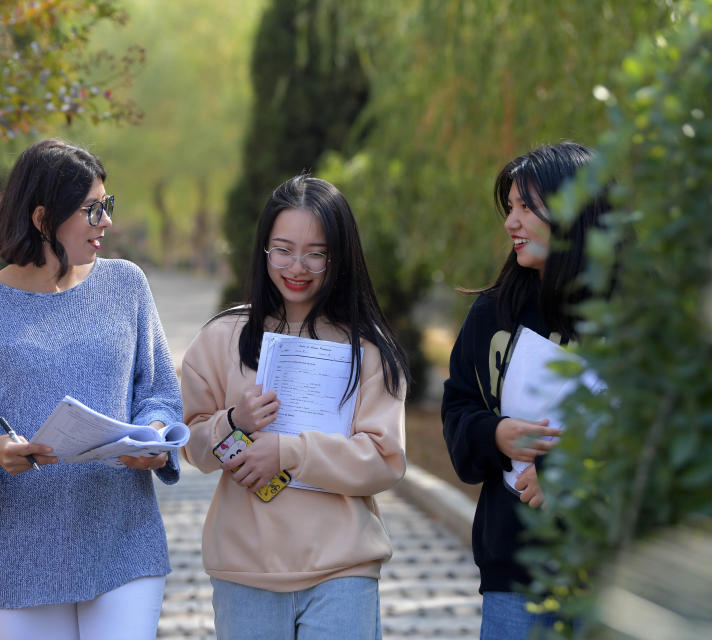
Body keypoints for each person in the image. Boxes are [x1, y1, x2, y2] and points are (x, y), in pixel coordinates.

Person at [0, 139, 182, 640]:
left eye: (106, 206)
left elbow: (158, 390)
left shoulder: (127, 285)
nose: (106, 222)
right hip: (22, 550)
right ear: (44, 217)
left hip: (123, 538)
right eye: (93, 210)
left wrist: (153, 437)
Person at [181, 174, 409, 639]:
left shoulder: (367, 349)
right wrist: (233, 421)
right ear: (264, 250)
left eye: (316, 253)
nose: (297, 266)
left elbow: (384, 461)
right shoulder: (224, 337)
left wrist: (289, 451)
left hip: (342, 569)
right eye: (283, 249)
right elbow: (193, 449)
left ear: (339, 257)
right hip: (245, 571)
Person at [441, 142, 610, 639]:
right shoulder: (493, 314)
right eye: (509, 208)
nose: (511, 223)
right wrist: (495, 435)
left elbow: (652, 433)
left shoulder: (630, 317)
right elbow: (458, 408)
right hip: (514, 573)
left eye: (526, 207)